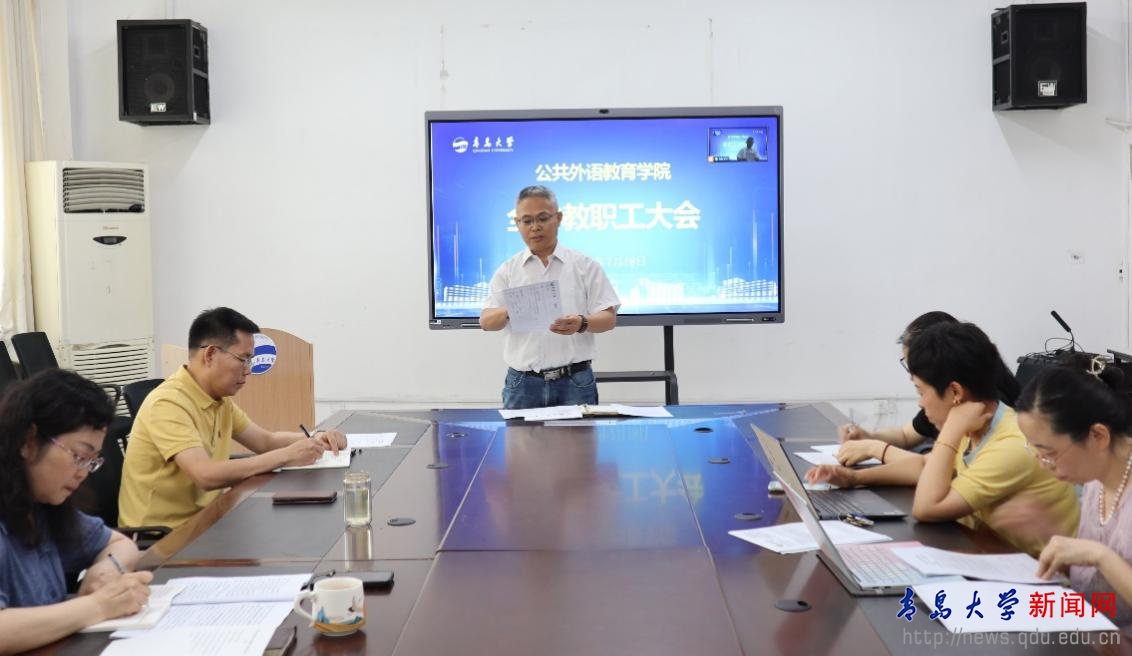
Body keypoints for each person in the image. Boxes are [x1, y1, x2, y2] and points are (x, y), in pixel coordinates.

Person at [807, 322, 1079, 556]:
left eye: (921, 391)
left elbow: (927, 507)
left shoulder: (1012, 443)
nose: (920, 402)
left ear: (955, 392)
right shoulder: (981, 421)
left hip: (1044, 582)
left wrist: (951, 430)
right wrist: (853, 478)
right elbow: (927, 466)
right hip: (993, 555)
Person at [119, 307, 347, 529]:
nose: (248, 370)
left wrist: (316, 438)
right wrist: (286, 456)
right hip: (164, 537)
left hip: (208, 519)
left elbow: (266, 441)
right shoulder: (169, 403)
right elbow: (205, 475)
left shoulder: (218, 399)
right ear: (210, 354)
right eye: (243, 359)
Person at [0, 369, 153, 652]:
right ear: (29, 441)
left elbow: (120, 544)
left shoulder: (41, 505)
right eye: (80, 456)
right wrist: (98, 605)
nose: (83, 473)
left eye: (91, 462)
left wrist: (106, 570)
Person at [1015, 359, 1132, 630]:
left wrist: (1099, 555)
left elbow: (1101, 558)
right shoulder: (1096, 478)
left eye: (1050, 453)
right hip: (1094, 630)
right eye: (1037, 452)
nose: (1044, 465)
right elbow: (1099, 592)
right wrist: (1049, 533)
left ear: (1098, 436)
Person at [480, 185, 620, 409]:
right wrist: (516, 306)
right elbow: (487, 322)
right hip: (523, 383)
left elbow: (609, 318)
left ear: (558, 218)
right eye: (527, 221)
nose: (535, 227)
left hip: (575, 381)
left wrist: (582, 323)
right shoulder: (508, 270)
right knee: (519, 435)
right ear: (517, 223)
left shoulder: (584, 265)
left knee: (580, 434)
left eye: (543, 218)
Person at [836, 311, 1020, 465]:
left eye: (917, 368)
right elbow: (906, 435)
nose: (912, 376)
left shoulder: (982, 409)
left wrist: (875, 449)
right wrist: (868, 436)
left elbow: (937, 468)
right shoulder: (946, 399)